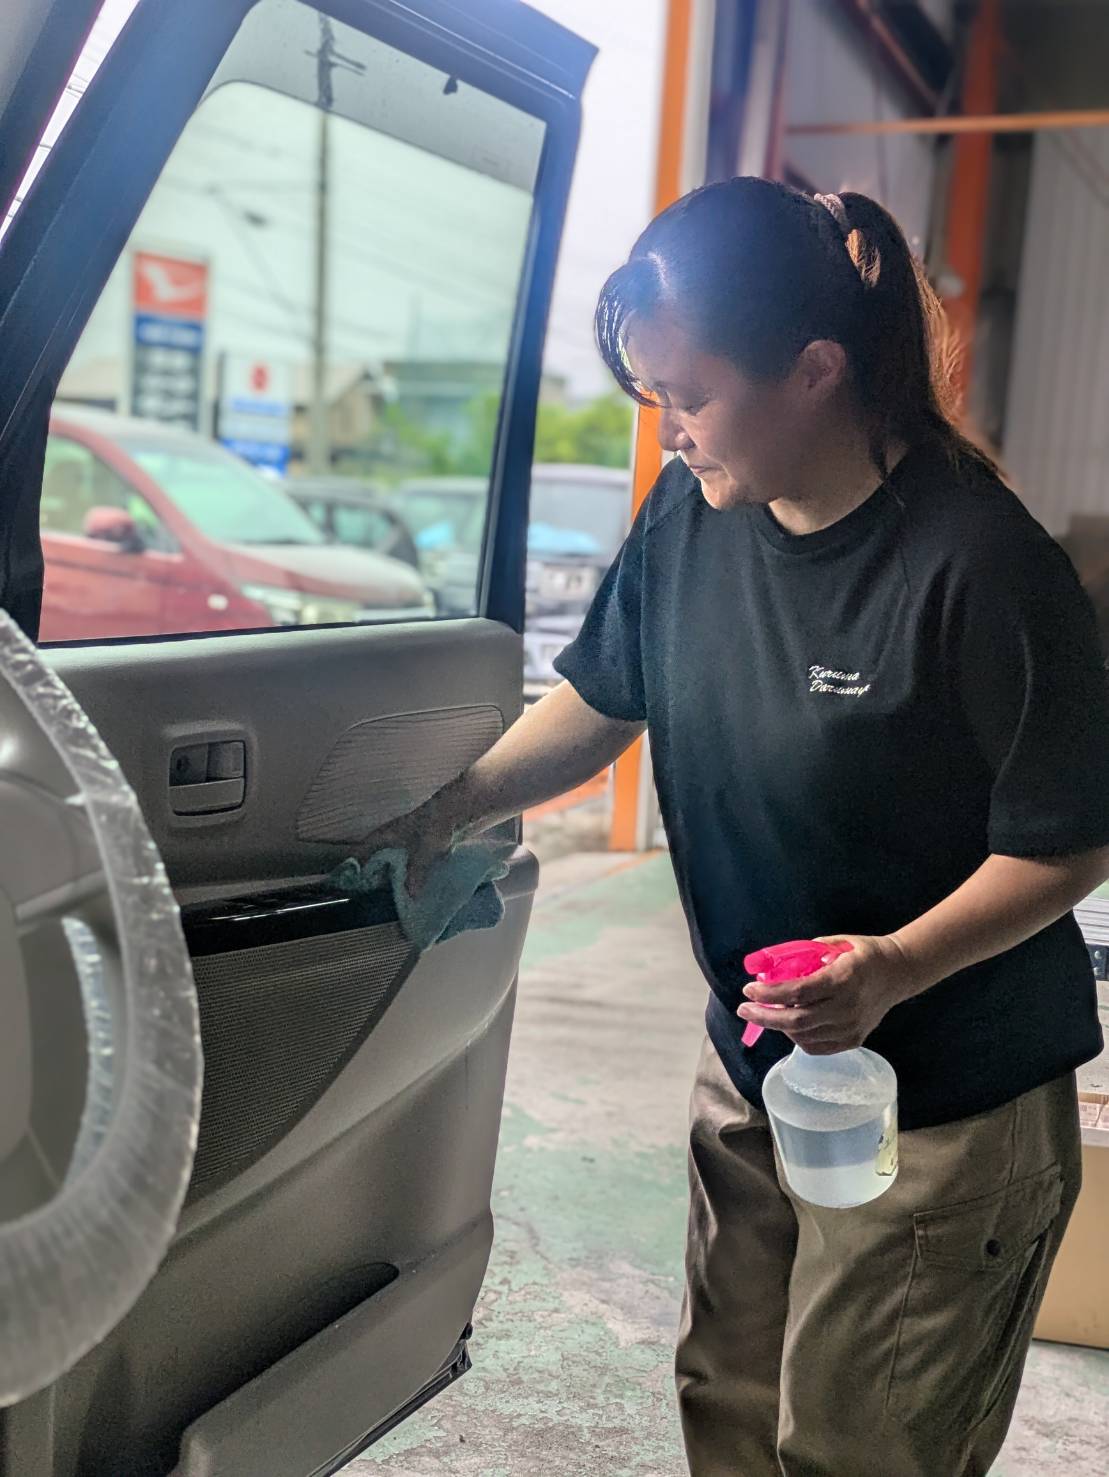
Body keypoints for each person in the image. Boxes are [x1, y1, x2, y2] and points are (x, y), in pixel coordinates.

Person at [366, 178, 1109, 1476]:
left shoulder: (979, 563)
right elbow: (604, 696)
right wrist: (448, 806)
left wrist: (892, 966)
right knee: (726, 1396)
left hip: (946, 1099)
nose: (670, 434)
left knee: (862, 1444)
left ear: (815, 371)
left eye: (691, 397)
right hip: (761, 1058)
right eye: (654, 398)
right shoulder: (690, 516)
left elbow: (1067, 839)